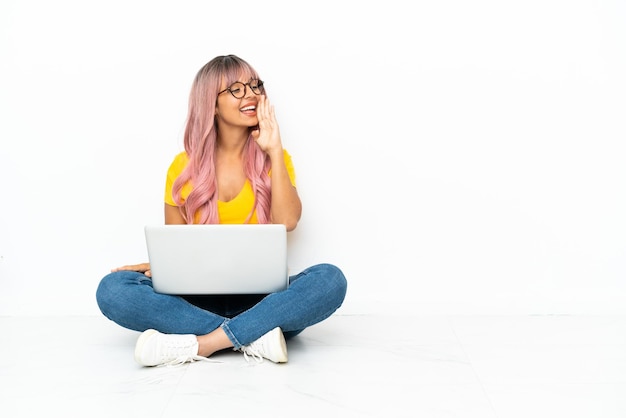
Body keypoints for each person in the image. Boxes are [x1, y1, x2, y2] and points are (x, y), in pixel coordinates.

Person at [95, 54, 347, 367]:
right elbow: (177, 251)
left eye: (255, 86)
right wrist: (157, 265)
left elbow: (288, 221)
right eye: (237, 90)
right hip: (197, 302)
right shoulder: (181, 167)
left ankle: (204, 343)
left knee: (329, 279)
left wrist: (274, 149)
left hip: (262, 299)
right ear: (211, 104)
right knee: (113, 290)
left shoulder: (277, 159)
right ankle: (253, 336)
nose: (252, 95)